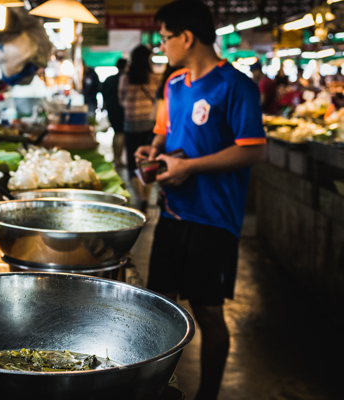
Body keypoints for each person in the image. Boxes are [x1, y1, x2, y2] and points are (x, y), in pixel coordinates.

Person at [136, 1, 266, 399]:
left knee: (208, 312)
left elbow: (251, 150)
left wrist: (191, 167)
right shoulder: (174, 83)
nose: (162, 47)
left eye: (164, 39)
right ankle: (158, 389)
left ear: (187, 37)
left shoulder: (237, 86)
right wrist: (152, 152)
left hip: (215, 219)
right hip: (174, 213)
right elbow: (166, 133)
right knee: (160, 306)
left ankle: (207, 395)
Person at [119, 45, 159, 181]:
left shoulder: (125, 78)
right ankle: (147, 197)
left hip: (131, 124)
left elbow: (121, 99)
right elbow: (157, 100)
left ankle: (139, 195)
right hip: (149, 124)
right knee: (148, 160)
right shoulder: (154, 78)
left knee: (133, 160)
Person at [100, 58, 127, 166]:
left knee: (116, 133)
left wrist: (103, 106)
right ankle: (118, 159)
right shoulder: (126, 79)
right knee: (120, 133)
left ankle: (116, 157)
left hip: (111, 108)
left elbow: (103, 93)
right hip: (122, 109)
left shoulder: (109, 79)